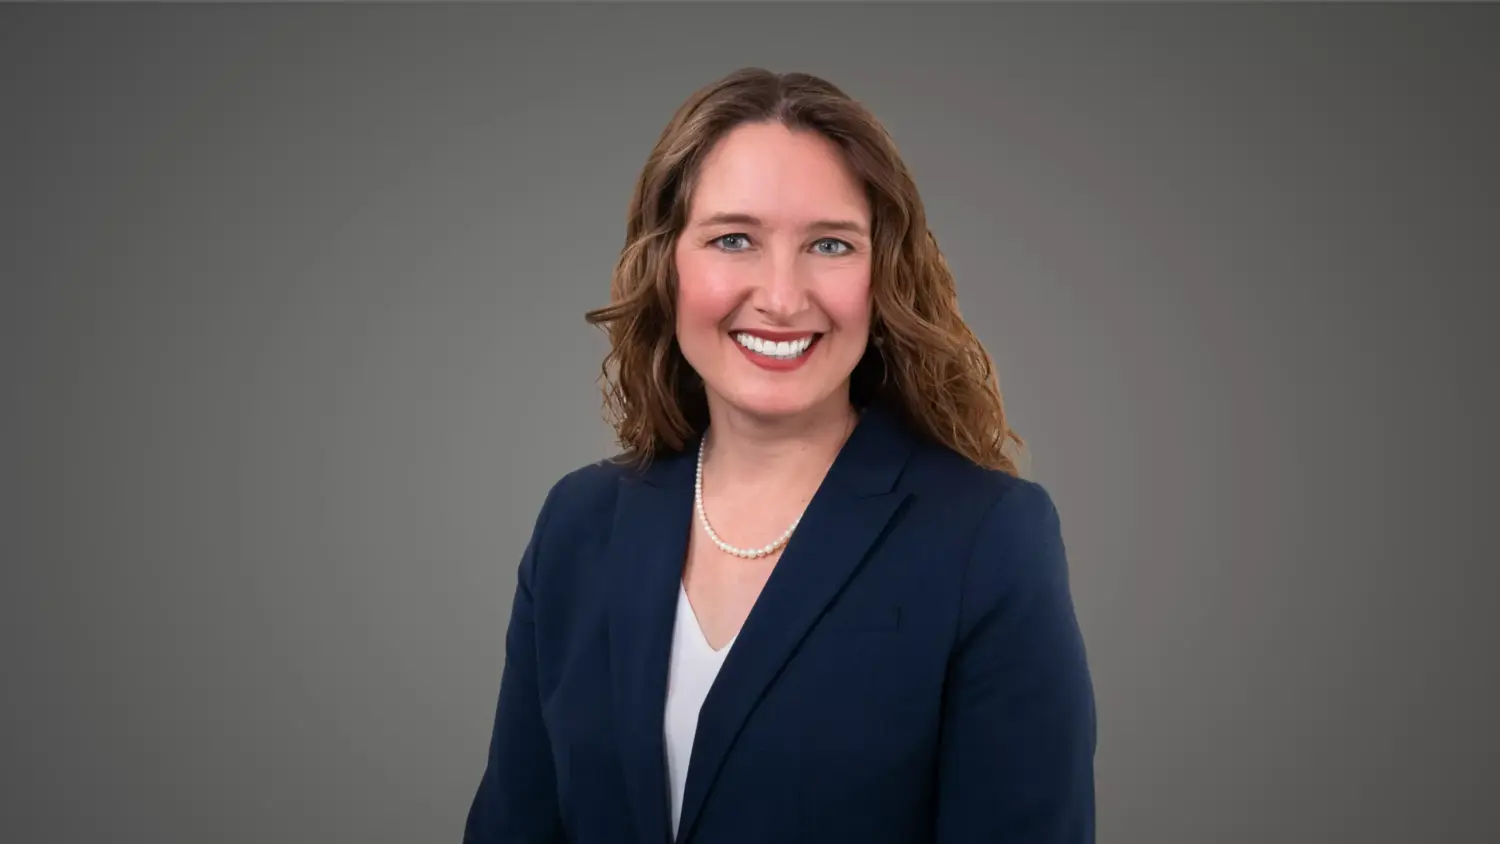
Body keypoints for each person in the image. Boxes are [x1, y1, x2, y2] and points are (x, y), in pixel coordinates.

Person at [463, 67, 1096, 844]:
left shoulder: (987, 538)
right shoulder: (578, 525)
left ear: (882, 274)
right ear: (668, 264)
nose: (782, 296)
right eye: (734, 239)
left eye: (830, 245)